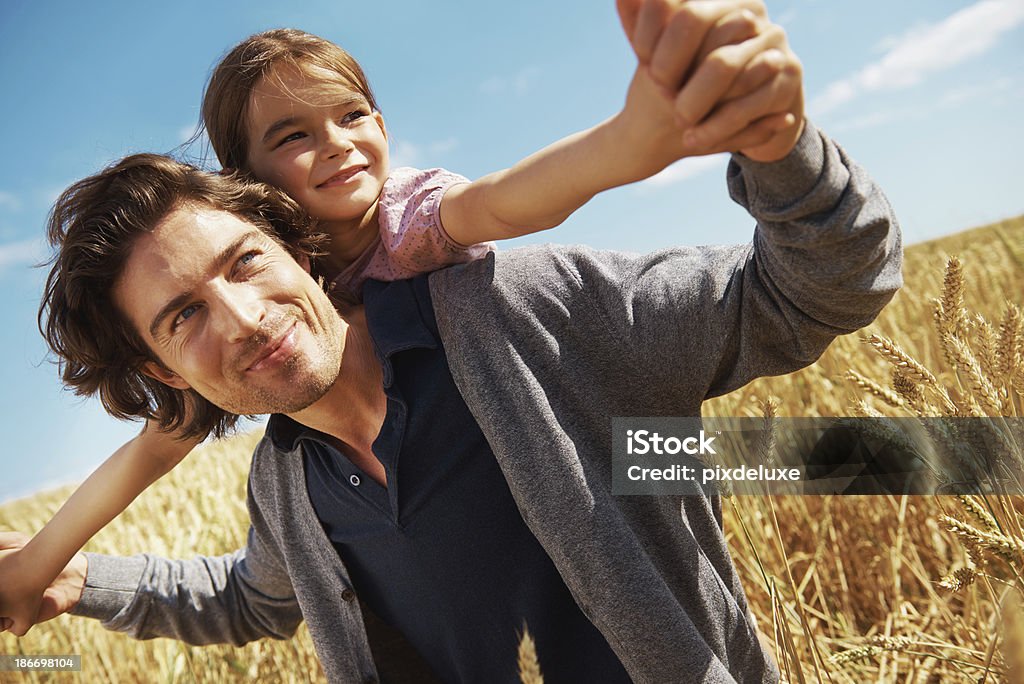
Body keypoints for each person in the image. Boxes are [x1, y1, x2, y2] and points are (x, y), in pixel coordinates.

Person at [1, 2, 899, 682]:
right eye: (183, 316)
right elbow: (251, 598)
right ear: (161, 367)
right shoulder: (286, 485)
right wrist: (77, 581)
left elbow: (810, 293)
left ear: (289, 241)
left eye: (243, 262)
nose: (242, 319)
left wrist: (772, 142)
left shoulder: (522, 314)